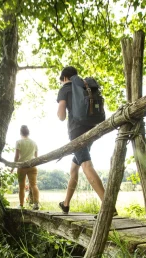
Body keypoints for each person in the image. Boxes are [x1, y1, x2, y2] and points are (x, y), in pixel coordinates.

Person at [57, 66, 105, 213]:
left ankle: (108, 205)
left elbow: (61, 116)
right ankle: (66, 204)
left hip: (76, 132)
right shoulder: (85, 86)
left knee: (86, 165)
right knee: (74, 168)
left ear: (65, 78)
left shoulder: (65, 88)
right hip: (92, 130)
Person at [12, 125, 40, 210]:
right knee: (34, 185)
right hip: (32, 165)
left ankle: (21, 205)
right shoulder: (34, 142)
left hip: (22, 166)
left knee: (21, 186)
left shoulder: (19, 142)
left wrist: (13, 167)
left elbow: (16, 157)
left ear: (20, 132)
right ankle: (36, 204)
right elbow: (36, 157)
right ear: (28, 132)